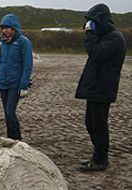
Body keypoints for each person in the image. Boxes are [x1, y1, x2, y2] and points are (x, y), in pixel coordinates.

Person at [75, 3, 126, 172]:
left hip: (103, 88)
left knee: (98, 125)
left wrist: (90, 33)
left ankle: (100, 160)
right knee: (90, 123)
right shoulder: (106, 36)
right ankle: (98, 156)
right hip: (96, 87)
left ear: (101, 20)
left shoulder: (114, 37)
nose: (90, 24)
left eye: (92, 21)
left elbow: (95, 52)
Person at [0, 14, 33, 140]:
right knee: (7, 113)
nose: (4, 31)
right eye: (3, 28)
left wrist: (24, 84)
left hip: (15, 84)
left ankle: (17, 139)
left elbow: (27, 65)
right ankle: (10, 138)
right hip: (3, 83)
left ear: (14, 28)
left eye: (7, 28)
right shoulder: (3, 43)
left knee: (10, 112)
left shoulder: (23, 42)